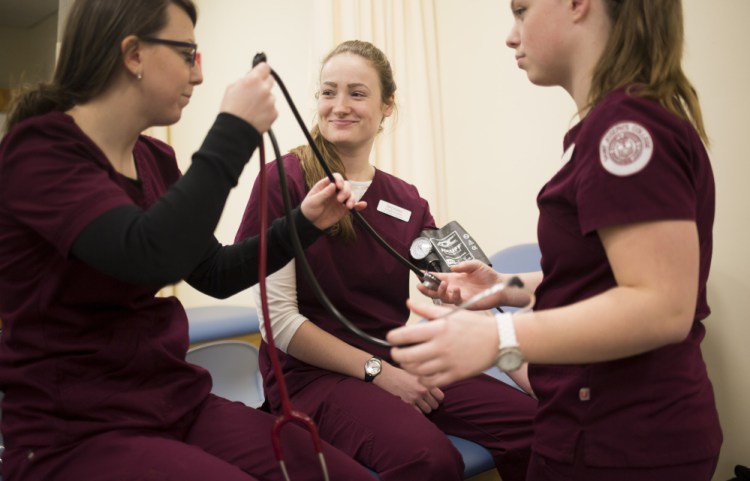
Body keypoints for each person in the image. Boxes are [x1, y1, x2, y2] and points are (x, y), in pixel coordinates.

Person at [0, 1, 376, 480]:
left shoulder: (154, 158)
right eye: (187, 53)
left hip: (174, 402)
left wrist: (302, 223)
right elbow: (146, 255)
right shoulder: (39, 150)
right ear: (133, 54)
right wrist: (234, 129)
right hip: (75, 432)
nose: (198, 76)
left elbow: (213, 273)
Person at [387, 1, 723, 480]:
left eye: (522, 10)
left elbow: (661, 305)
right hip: (597, 429)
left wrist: (497, 337)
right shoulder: (612, 125)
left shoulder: (625, 130)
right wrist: (502, 288)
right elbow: (600, 283)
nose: (511, 34)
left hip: (624, 444)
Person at [235, 39, 536, 481]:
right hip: (309, 377)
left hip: (395, 358)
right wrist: (378, 373)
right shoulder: (284, 181)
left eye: (357, 93)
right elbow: (277, 322)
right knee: (428, 460)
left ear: (387, 106)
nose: (339, 106)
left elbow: (456, 287)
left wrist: (474, 307)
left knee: (536, 423)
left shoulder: (404, 199)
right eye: (327, 91)